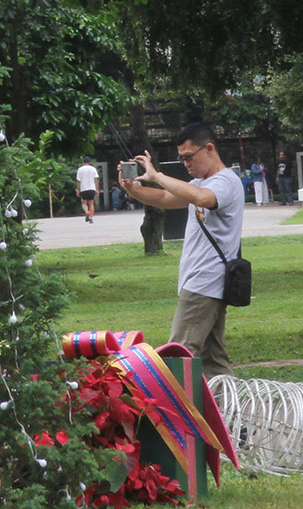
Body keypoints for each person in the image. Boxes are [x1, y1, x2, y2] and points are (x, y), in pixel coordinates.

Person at [118, 123, 244, 377]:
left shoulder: (224, 182)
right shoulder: (201, 182)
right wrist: (132, 188)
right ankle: (227, 411)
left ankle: (174, 414)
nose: (186, 164)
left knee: (177, 358)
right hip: (204, 283)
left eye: (189, 157)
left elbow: (202, 198)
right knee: (213, 362)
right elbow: (165, 199)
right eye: (181, 158)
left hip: (204, 284)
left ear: (209, 149)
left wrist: (155, 175)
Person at [76, 156, 100, 223]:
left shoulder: (80, 169)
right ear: (89, 162)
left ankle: (87, 212)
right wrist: (97, 189)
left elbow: (78, 181)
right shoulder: (93, 169)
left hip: (84, 188)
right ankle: (90, 218)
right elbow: (96, 180)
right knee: (91, 203)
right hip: (92, 188)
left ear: (83, 162)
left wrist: (77, 190)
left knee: (84, 203)